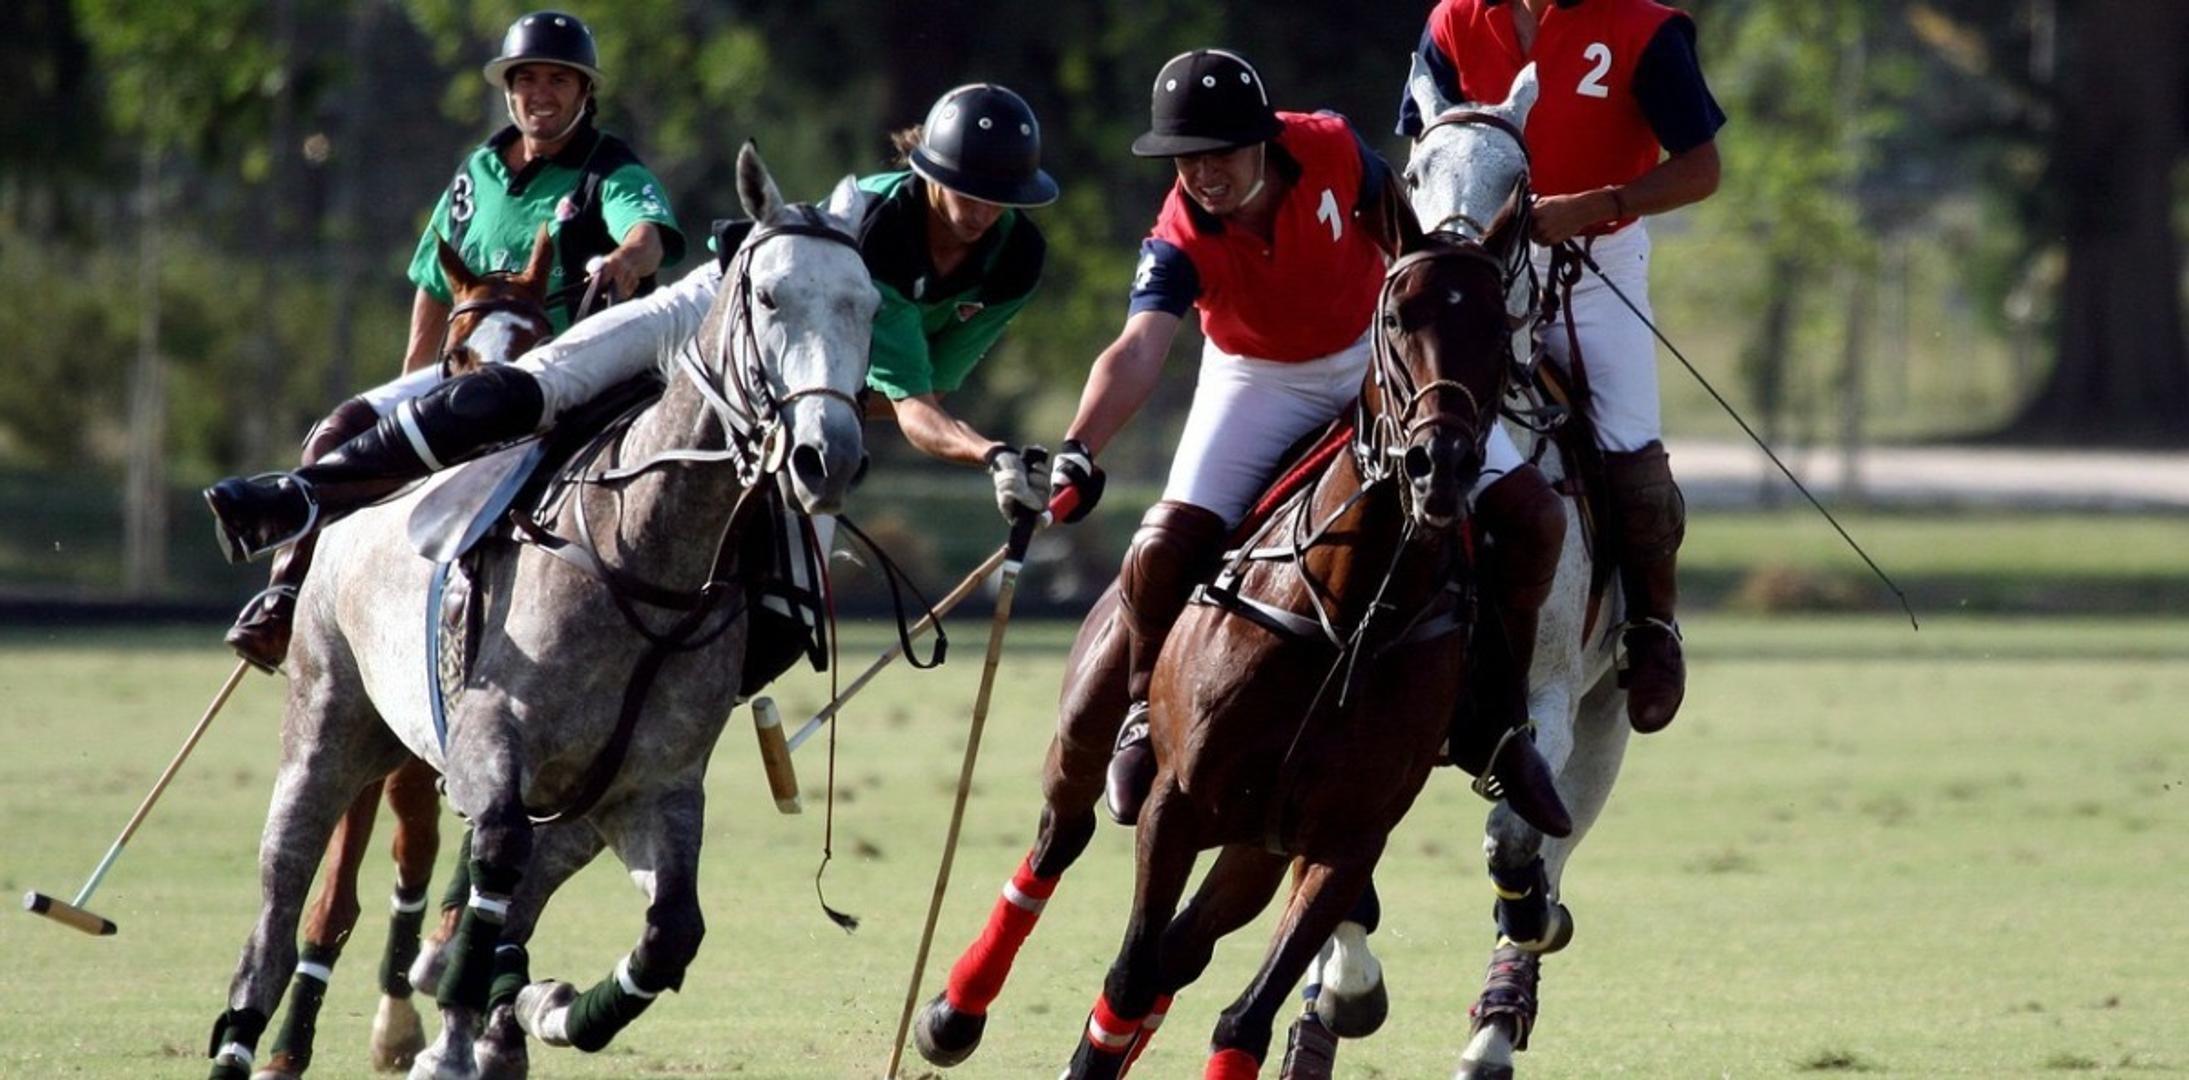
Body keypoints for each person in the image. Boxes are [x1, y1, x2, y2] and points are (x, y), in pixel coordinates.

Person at [203, 84, 1061, 608]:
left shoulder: (1015, 257)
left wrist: (835, 407)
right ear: (923, 173)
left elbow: (913, 394)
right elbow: (915, 405)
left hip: (792, 381)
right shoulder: (873, 230)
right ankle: (300, 495)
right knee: (540, 384)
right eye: (960, 187)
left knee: (797, 594)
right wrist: (989, 455)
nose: (979, 206)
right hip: (715, 305)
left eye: (998, 194)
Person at [1045, 48, 1569, 835]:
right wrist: (1079, 445)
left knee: (1532, 516)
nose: (1203, 175)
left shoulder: (1328, 146)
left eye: (1219, 153)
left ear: (1263, 140)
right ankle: (1138, 715)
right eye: (1186, 159)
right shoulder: (1178, 232)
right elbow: (1140, 346)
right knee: (1160, 545)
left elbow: (1407, 238)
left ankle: (1498, 726)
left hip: (1375, 363)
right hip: (1256, 377)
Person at [218, 9, 684, 671]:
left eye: (559, 80)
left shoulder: (607, 170)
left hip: (566, 382)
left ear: (585, 93)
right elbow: (434, 281)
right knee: (337, 431)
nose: (541, 95)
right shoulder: (479, 171)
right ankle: (282, 601)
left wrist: (623, 261)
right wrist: (412, 376)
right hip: (464, 373)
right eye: (527, 81)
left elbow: (647, 232)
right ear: (508, 90)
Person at [1400, 0, 1725, 732]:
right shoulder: (1453, 20)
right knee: (1406, 414)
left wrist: (1599, 203)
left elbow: (1701, 169)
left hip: (1591, 261)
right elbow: (1422, 147)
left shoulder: (1644, 28)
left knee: (1627, 445)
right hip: (1471, 271)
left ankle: (1650, 630)